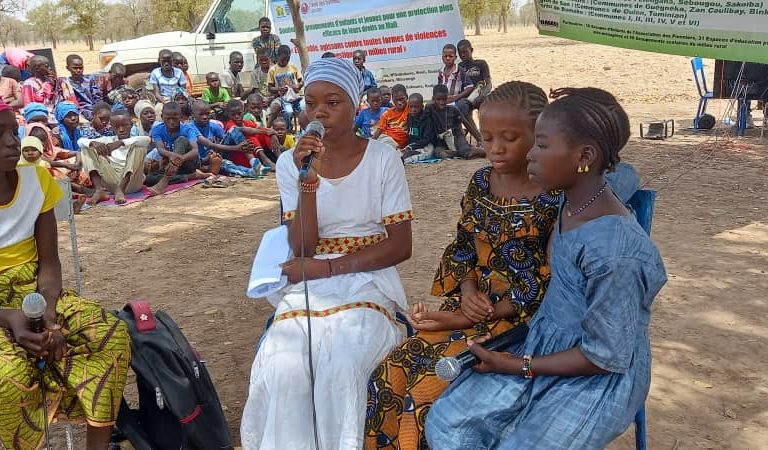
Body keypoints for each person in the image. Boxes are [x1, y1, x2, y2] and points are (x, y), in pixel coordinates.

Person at [425, 87, 668, 449]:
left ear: (585, 156)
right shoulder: (578, 197)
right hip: (542, 342)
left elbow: (605, 356)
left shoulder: (616, 254)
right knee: (447, 426)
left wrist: (517, 365)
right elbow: (620, 169)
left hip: (595, 374)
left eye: (541, 145)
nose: (530, 155)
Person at [365, 82, 556, 449]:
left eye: (510, 138)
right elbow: (464, 245)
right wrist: (466, 291)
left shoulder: (553, 195)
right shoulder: (481, 182)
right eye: (486, 136)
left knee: (424, 393)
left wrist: (473, 316)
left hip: (516, 325)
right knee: (390, 372)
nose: (495, 148)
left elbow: (547, 279)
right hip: (469, 307)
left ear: (539, 135)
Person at [240, 56, 413, 450]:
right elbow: (302, 245)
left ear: (355, 105)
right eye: (311, 103)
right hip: (309, 274)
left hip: (367, 277)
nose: (319, 111)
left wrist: (326, 268)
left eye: (332, 102)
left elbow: (400, 245)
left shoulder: (383, 158)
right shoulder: (291, 163)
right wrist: (307, 183)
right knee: (285, 368)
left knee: (342, 362)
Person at [0, 85, 131, 450]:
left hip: (36, 291)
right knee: (9, 371)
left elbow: (50, 263)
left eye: (15, 131)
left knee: (111, 336)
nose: (14, 141)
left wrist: (50, 315)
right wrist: (5, 317)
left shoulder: (36, 178)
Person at [79, 109, 150, 204]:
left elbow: (147, 139)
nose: (121, 129)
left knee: (139, 148)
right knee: (87, 148)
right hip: (112, 183)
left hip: (132, 183)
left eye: (124, 125)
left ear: (131, 124)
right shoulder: (108, 140)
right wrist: (93, 143)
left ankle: (120, 189)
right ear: (112, 127)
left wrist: (120, 143)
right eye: (117, 126)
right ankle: (99, 189)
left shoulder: (137, 140)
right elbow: (80, 142)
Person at [145, 101, 205, 194]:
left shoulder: (188, 129)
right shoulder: (157, 130)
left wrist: (180, 158)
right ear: (161, 117)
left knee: (181, 140)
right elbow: (160, 149)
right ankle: (191, 176)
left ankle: (165, 180)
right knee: (148, 179)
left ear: (181, 117)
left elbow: (195, 151)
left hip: (189, 163)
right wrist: (171, 155)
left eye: (175, 119)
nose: (171, 122)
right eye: (168, 119)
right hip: (173, 167)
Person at [425, 84, 475, 159]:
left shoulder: (453, 109)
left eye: (444, 99)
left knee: (465, 153)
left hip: (456, 136)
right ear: (433, 99)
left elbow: (466, 123)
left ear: (447, 98)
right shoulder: (430, 109)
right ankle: (457, 152)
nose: (441, 102)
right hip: (441, 140)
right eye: (438, 99)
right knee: (438, 152)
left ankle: (478, 151)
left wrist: (479, 139)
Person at [456, 39, 492, 141]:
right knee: (461, 106)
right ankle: (478, 137)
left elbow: (488, 83)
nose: (463, 55)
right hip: (466, 97)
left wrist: (482, 95)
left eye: (465, 52)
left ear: (471, 50)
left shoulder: (481, 64)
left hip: (481, 94)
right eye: (460, 53)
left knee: (489, 104)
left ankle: (488, 134)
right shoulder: (459, 67)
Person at [56, 55, 103, 121]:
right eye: (75, 68)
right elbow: (62, 102)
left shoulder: (90, 80)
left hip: (92, 110)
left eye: (80, 68)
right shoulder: (65, 83)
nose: (78, 70)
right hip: (75, 112)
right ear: (68, 68)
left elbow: (97, 98)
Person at [268, 45, 304, 131]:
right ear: (278, 57)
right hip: (282, 97)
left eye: (287, 59)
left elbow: (301, 81)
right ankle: (288, 131)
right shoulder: (273, 70)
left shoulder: (293, 67)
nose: (285, 61)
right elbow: (269, 88)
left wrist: (298, 86)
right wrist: (279, 89)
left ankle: (303, 131)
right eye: (283, 59)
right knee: (288, 112)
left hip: (296, 96)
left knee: (304, 109)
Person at [400, 93, 434, 163]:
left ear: (422, 106)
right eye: (411, 107)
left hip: (425, 146)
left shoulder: (427, 119)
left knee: (422, 154)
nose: (413, 109)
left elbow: (427, 139)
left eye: (416, 107)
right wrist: (409, 146)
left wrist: (412, 147)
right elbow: (410, 135)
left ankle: (404, 160)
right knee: (399, 152)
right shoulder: (409, 117)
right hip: (412, 145)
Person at [373, 84, 409, 149]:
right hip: (387, 139)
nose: (399, 103)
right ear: (392, 99)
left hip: (400, 144)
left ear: (407, 97)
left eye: (401, 99)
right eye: (396, 100)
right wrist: (371, 144)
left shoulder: (411, 110)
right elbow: (379, 131)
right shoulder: (387, 114)